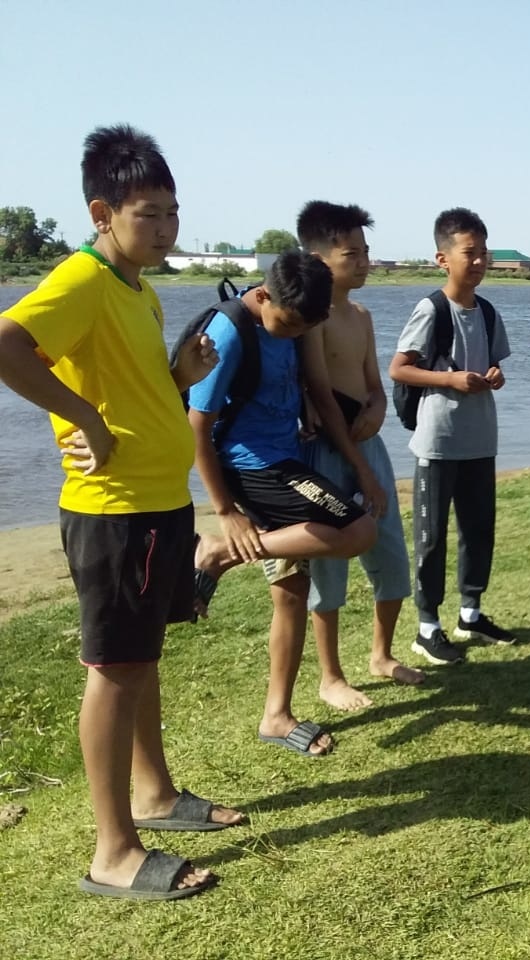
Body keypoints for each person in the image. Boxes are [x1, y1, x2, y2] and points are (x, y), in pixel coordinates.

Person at [0, 125, 244, 900]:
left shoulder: (135, 289)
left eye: (173, 212)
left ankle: (157, 796)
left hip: (158, 501)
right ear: (103, 211)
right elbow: (7, 342)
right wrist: (85, 420)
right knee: (114, 669)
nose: (167, 228)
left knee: (142, 660)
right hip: (114, 513)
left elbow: (133, 393)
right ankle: (113, 851)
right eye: (150, 213)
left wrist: (176, 376)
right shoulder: (82, 279)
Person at [188, 251, 377, 757]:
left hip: (285, 459)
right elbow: (197, 428)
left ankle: (276, 715)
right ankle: (217, 552)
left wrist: (362, 467)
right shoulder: (229, 332)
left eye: (303, 329)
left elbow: (320, 392)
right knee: (358, 531)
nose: (291, 335)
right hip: (251, 467)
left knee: (292, 591)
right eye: (286, 325)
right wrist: (226, 511)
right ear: (264, 295)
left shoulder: (298, 322)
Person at [296, 200, 423, 710]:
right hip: (327, 452)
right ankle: (330, 676)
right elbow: (322, 397)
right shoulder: (313, 319)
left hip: (367, 444)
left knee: (391, 554)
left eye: (366, 252)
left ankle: (381, 654)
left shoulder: (362, 315)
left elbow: (374, 384)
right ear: (320, 257)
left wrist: (377, 409)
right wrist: (360, 466)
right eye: (352, 253)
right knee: (329, 568)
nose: (365, 261)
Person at [388, 207, 516, 666]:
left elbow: (495, 362)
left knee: (478, 531)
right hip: (438, 442)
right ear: (443, 258)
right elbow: (399, 368)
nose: (479, 261)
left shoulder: (487, 310)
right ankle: (427, 627)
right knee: (431, 536)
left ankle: (471, 613)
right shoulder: (431, 309)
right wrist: (450, 380)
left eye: (484, 252)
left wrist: (494, 376)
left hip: (481, 439)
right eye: (470, 253)